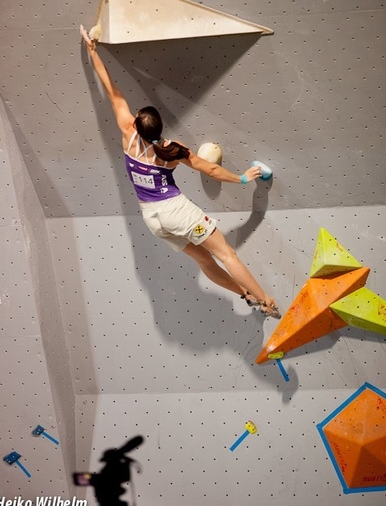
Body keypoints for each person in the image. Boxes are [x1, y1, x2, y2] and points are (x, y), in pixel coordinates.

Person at [80, 26, 281, 318]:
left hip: (153, 219)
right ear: (158, 127)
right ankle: (266, 300)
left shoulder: (127, 134)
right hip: (175, 212)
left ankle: (245, 295)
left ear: (136, 124)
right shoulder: (173, 150)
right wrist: (242, 178)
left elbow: (112, 89)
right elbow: (210, 169)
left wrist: (92, 50)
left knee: (206, 262)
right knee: (225, 254)